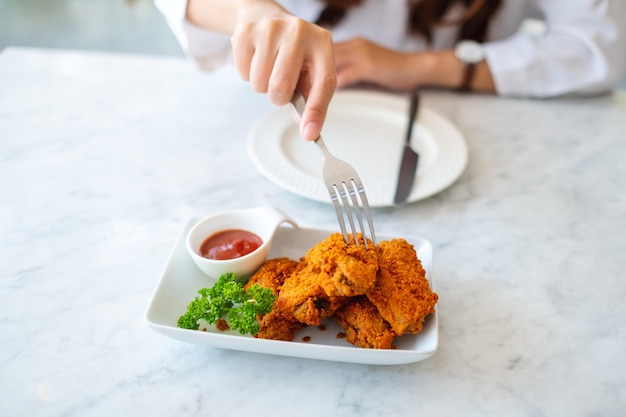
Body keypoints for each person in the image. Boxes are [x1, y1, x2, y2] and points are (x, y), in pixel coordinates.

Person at [155, 0, 626, 141]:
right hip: (263, 119)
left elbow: (601, 46)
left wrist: (427, 67)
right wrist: (250, 12)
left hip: (477, 130)